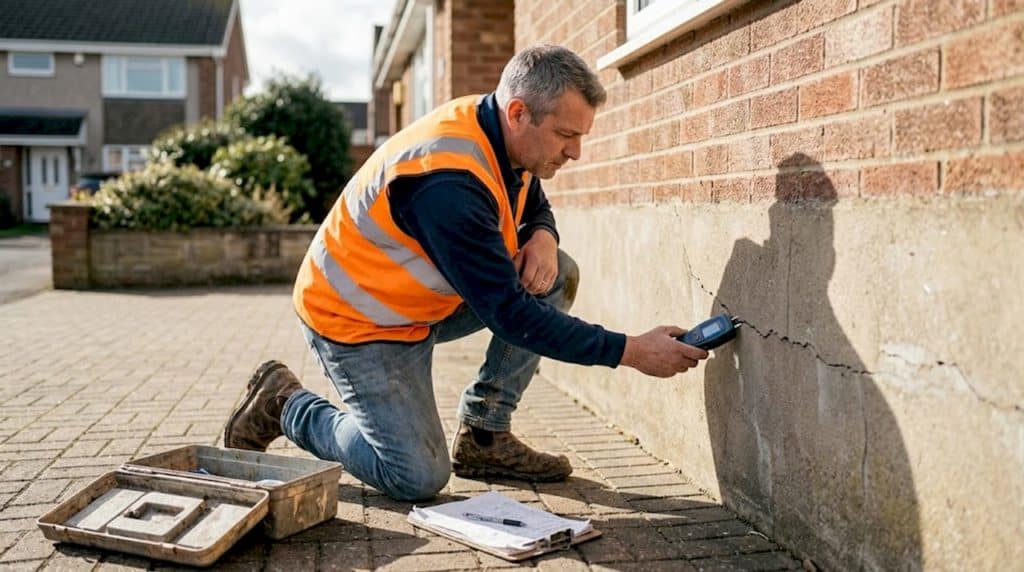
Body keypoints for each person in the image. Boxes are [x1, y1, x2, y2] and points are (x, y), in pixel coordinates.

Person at [224, 45, 708, 501]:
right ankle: (285, 404)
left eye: (581, 136)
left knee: (556, 273)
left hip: (418, 305)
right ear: (518, 112)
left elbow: (530, 198)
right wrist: (632, 351)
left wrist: (544, 234)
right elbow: (511, 315)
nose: (576, 151)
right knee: (416, 475)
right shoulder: (446, 182)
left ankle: (484, 435)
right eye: (567, 135)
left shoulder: (502, 135)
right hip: (357, 319)